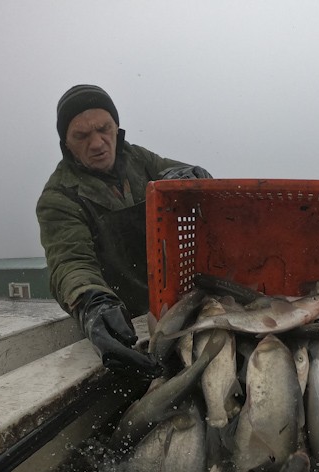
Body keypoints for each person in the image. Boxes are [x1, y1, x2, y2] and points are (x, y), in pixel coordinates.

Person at [36, 84, 211, 377]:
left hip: (178, 307)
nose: (97, 143)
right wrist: (93, 303)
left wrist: (196, 175)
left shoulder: (141, 161)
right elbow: (70, 261)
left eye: (104, 129)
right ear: (66, 143)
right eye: (81, 136)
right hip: (126, 324)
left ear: (116, 126)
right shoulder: (59, 198)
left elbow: (188, 175)